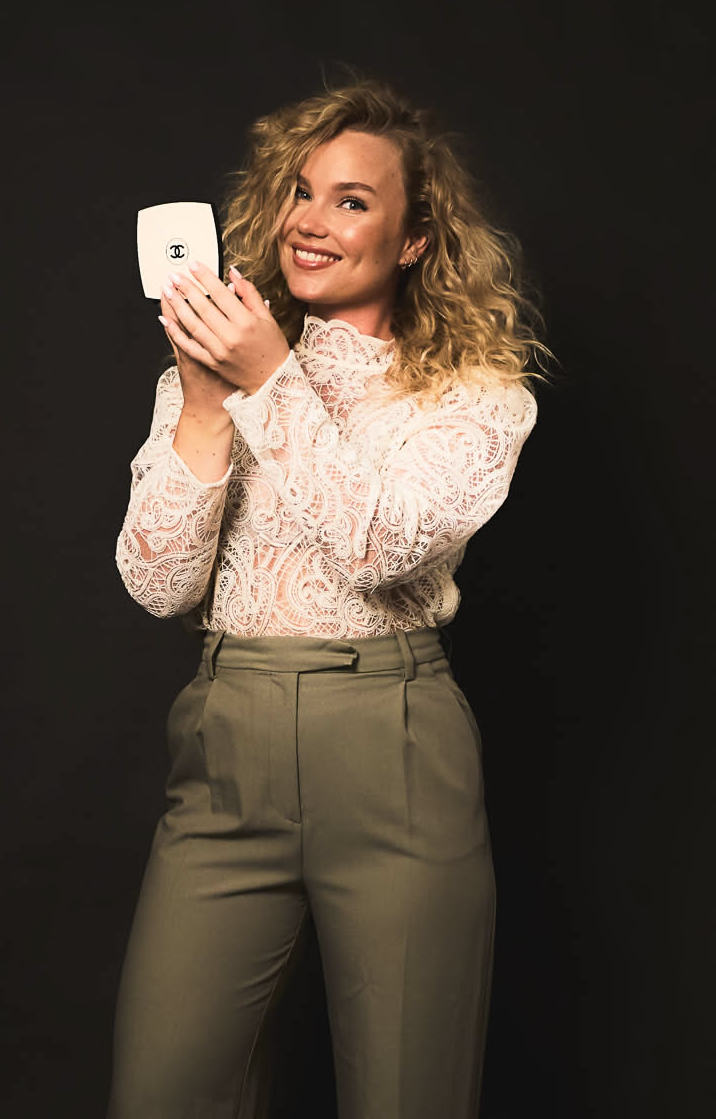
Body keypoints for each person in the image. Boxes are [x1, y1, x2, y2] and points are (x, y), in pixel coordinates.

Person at [107, 78, 550, 1119]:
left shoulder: (477, 398)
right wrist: (208, 408)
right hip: (225, 751)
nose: (310, 220)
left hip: (391, 755)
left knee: (407, 1097)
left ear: (412, 239)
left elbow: (377, 549)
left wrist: (266, 382)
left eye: (351, 200)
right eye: (300, 193)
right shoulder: (211, 372)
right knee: (162, 1096)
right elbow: (157, 583)